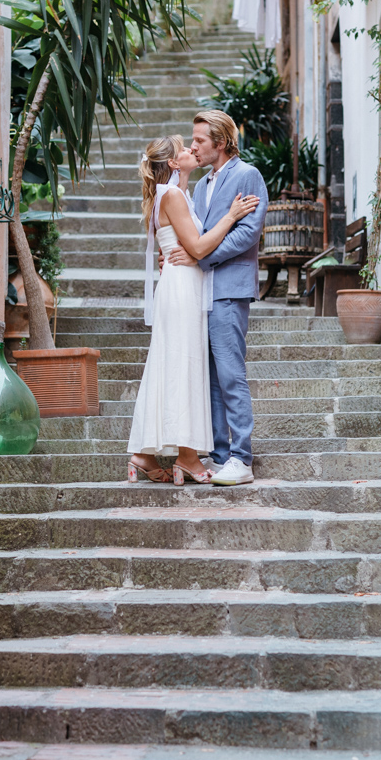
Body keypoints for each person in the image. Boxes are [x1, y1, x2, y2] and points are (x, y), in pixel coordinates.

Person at [127, 134, 260, 485]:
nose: (191, 150)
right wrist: (231, 214)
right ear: (173, 163)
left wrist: (189, 251)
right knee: (183, 363)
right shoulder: (173, 194)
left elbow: (190, 241)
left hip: (188, 284)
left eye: (196, 142)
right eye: (185, 147)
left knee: (176, 363)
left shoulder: (180, 192)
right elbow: (199, 245)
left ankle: (147, 453)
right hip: (183, 288)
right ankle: (186, 455)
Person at [166, 110, 268, 485]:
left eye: (199, 141)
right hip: (199, 291)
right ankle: (221, 454)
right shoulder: (200, 186)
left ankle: (242, 457)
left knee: (230, 374)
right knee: (208, 378)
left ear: (221, 143)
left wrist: (201, 256)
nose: (192, 146)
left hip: (228, 289)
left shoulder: (247, 175)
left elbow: (248, 234)